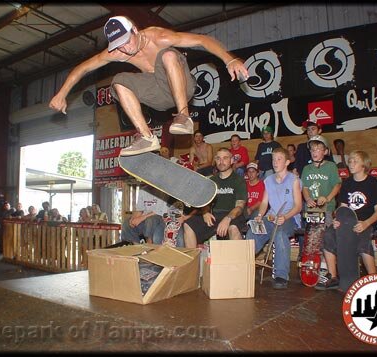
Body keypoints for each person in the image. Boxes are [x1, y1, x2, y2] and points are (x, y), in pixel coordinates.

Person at [49, 15, 248, 156]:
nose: (125, 49)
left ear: (135, 30)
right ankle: (146, 136)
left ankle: (184, 116)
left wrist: (229, 60)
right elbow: (84, 68)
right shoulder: (118, 52)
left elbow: (202, 40)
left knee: (168, 55)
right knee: (118, 81)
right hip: (158, 96)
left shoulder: (159, 37)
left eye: (127, 41)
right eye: (119, 46)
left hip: (182, 86)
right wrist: (62, 93)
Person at [317, 150, 377, 291]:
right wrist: (337, 220)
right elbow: (342, 208)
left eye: (355, 161)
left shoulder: (372, 183)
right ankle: (333, 276)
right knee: (329, 234)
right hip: (347, 223)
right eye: (350, 161)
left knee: (363, 240)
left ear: (364, 165)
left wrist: (366, 223)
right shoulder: (347, 183)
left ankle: (374, 279)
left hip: (365, 222)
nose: (351, 163)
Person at [247, 147, 302, 289]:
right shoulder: (268, 180)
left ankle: (281, 275)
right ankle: (244, 264)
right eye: (273, 159)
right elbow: (265, 202)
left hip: (289, 217)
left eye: (279, 159)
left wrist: (285, 216)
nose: (275, 162)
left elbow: (298, 206)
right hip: (271, 217)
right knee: (253, 231)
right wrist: (260, 215)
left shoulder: (294, 180)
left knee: (281, 233)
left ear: (287, 162)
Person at [300, 135, 342, 289]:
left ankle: (328, 270)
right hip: (311, 210)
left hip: (327, 208)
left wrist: (328, 198)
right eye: (312, 150)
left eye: (318, 149)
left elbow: (337, 185)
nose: (315, 152)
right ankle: (314, 269)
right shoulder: (307, 168)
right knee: (312, 240)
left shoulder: (331, 166)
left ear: (325, 151)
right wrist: (307, 198)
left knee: (326, 238)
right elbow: (304, 187)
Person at [183, 147, 247, 248]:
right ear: (215, 161)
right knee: (188, 225)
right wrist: (205, 212)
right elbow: (206, 203)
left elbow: (239, 207)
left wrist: (227, 218)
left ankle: (238, 262)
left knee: (233, 228)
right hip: (215, 216)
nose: (221, 161)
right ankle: (193, 262)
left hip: (233, 216)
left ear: (231, 161)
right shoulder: (211, 181)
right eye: (218, 158)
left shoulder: (239, 180)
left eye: (225, 158)